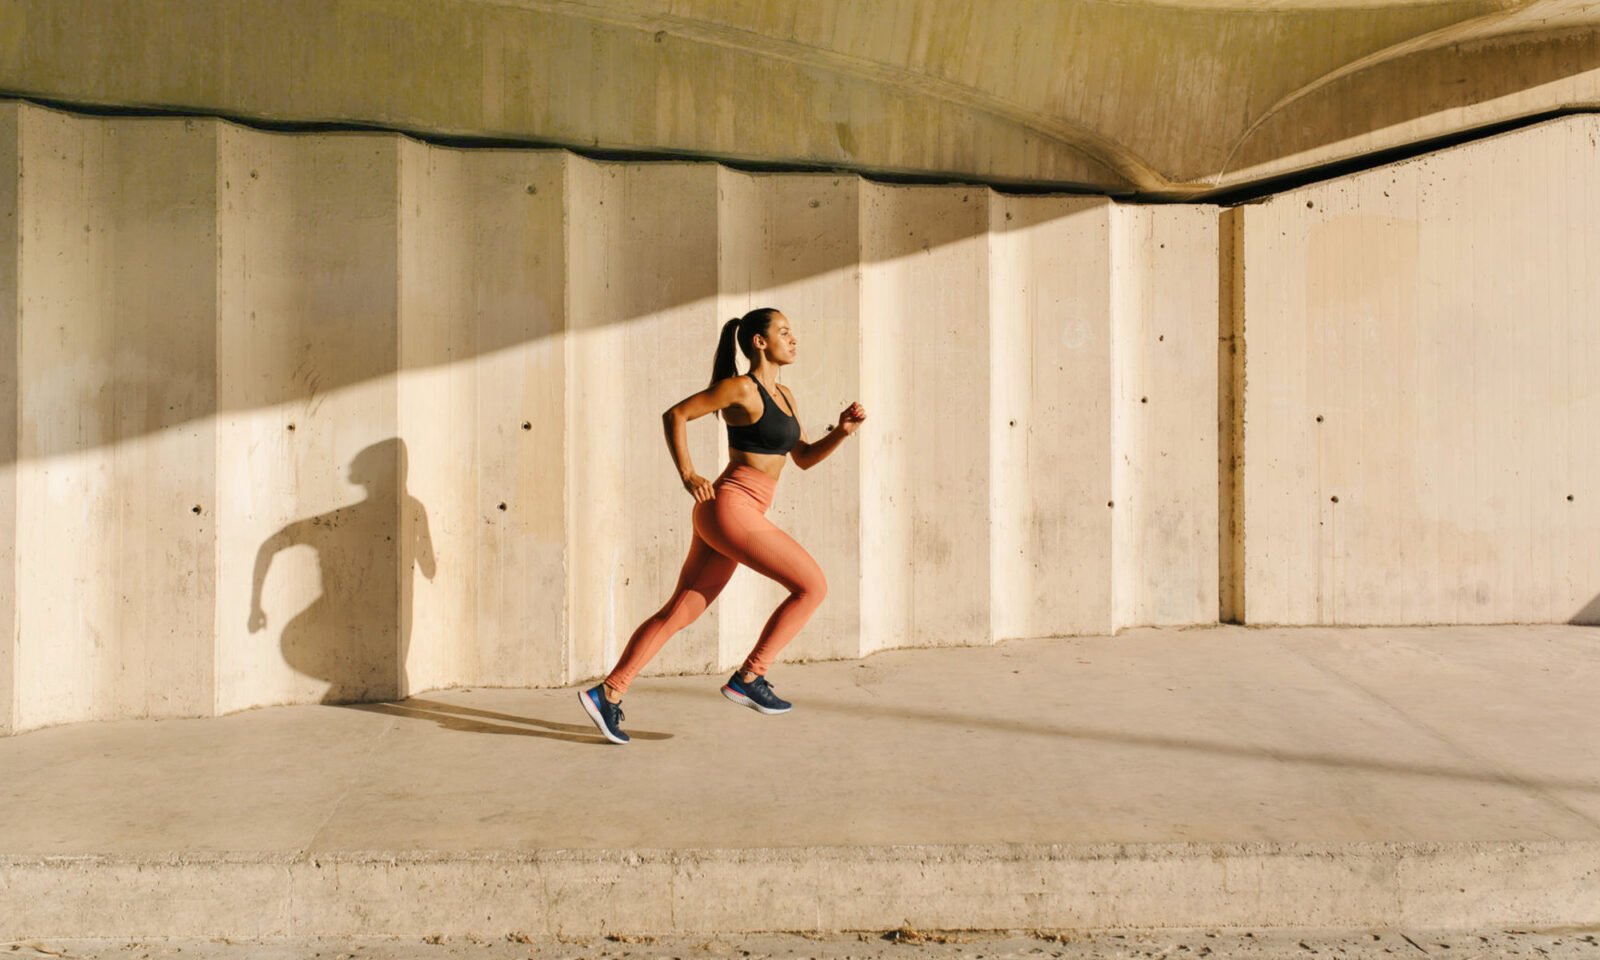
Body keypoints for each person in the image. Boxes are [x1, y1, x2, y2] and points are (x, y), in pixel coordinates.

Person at [578, 308, 867, 745]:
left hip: (735, 513)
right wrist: (688, 473)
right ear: (759, 342)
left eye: (793, 331)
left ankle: (608, 693)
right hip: (730, 507)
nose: (794, 339)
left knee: (681, 610)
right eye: (784, 332)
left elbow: (802, 458)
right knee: (813, 586)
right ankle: (751, 677)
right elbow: (675, 415)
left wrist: (842, 432)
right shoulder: (740, 389)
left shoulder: (786, 395)